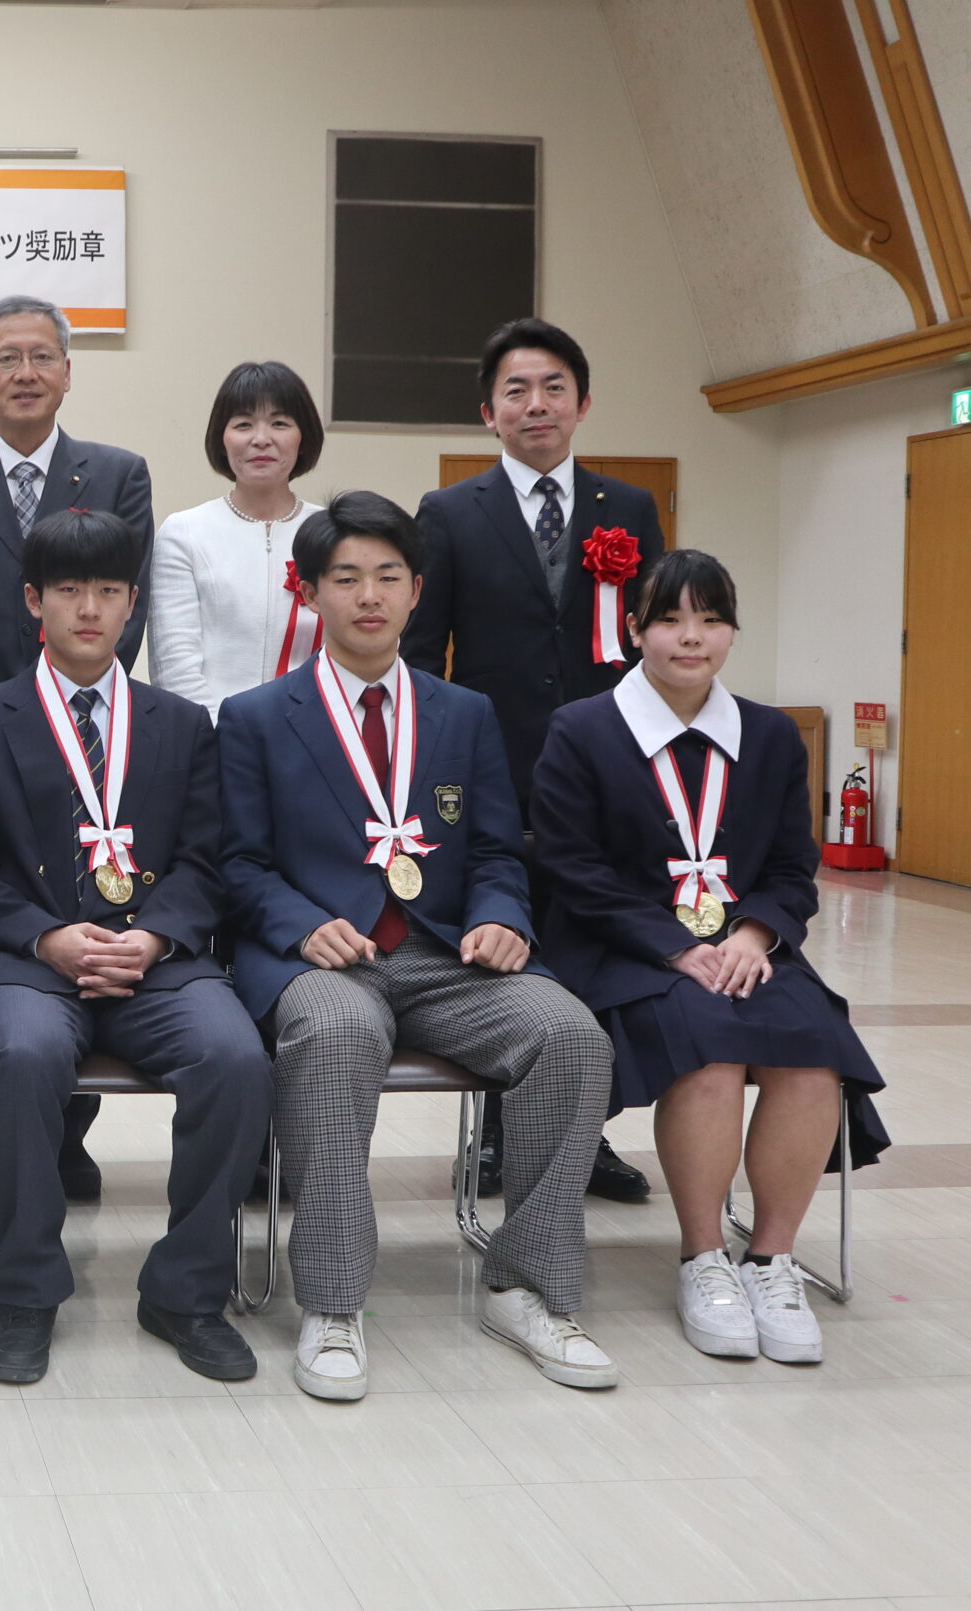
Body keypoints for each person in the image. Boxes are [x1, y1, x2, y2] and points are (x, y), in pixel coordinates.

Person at [220, 491, 617, 1401]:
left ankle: (529, 1286)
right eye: (346, 577)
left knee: (570, 1035)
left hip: (446, 955)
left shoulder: (463, 712)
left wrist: (502, 914)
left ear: (416, 590)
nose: (369, 595)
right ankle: (332, 1302)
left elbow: (497, 849)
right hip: (321, 955)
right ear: (308, 592)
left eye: (387, 576)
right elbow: (236, 863)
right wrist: (298, 922)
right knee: (336, 1036)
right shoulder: (256, 715)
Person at [0, 510, 272, 1385]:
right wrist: (44, 935)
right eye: (70, 589)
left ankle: (186, 1290)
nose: (90, 608)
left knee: (237, 1057)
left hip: (156, 962)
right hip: (26, 961)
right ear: (33, 601)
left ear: (133, 603)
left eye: (109, 590)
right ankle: (26, 1288)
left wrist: (154, 935)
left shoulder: (182, 723)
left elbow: (205, 860)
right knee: (21, 1056)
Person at [534, 550, 888, 1365]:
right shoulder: (582, 729)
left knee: (812, 1050)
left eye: (710, 619)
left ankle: (770, 1260)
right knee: (712, 1048)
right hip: (622, 948)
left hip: (742, 945)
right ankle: (703, 1257)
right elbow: (570, 868)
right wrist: (674, 946)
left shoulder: (770, 735)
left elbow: (793, 867)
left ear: (731, 631)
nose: (690, 636)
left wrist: (755, 935)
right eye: (669, 619)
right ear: (635, 630)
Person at [404, 317, 666, 1206]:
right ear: (489, 412)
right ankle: (496, 1135)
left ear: (583, 404)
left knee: (595, 943)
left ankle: (584, 1133)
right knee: (504, 946)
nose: (537, 404)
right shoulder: (449, 512)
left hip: (606, 769)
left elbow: (652, 640)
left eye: (554, 387)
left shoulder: (629, 509)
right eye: (516, 390)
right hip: (495, 769)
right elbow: (422, 652)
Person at [0, 297, 152, 1199]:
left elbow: (126, 606)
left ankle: (64, 1131)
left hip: (90, 738)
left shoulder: (117, 473)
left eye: (42, 356)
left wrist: (65, 711)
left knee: (87, 913)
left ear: (68, 372)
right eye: (5, 358)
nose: (25, 372)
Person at [150, 360, 327, 720]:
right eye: (243, 424)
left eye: (279, 423)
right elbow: (175, 666)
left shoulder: (333, 532)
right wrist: (225, 738)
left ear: (303, 436)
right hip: (212, 738)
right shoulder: (184, 532)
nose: (261, 439)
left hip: (315, 735)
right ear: (222, 437)